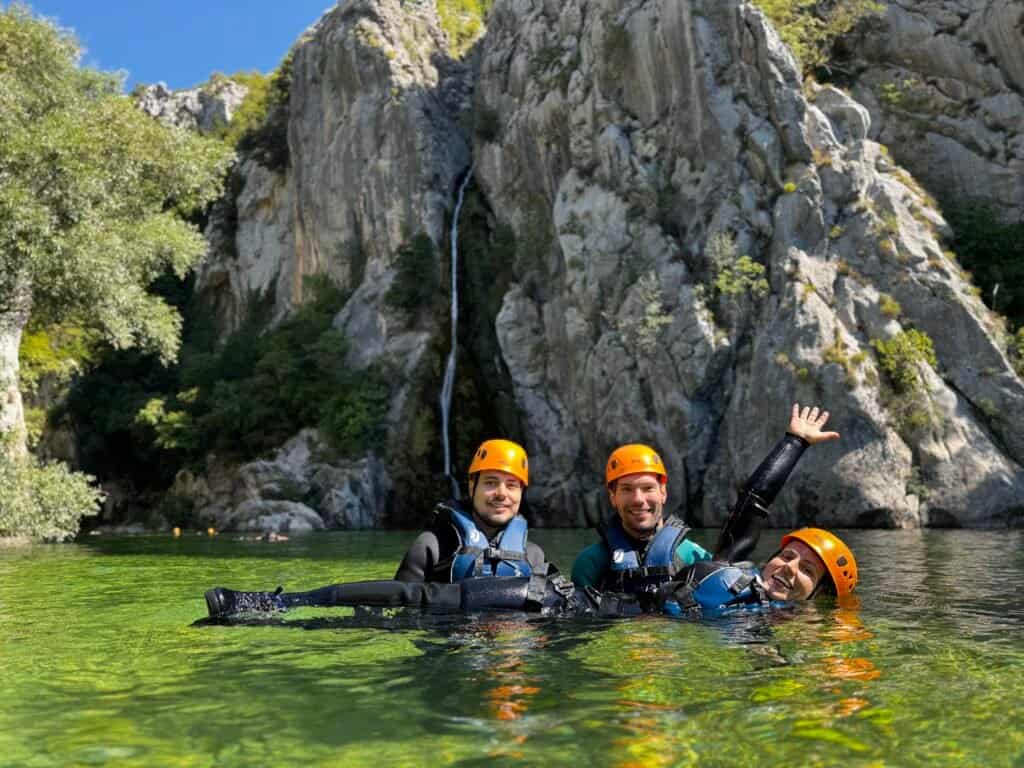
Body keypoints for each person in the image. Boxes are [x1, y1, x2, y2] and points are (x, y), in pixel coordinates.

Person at [571, 404, 841, 595]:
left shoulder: (694, 557)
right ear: (612, 497)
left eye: (647, 488)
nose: (638, 499)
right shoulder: (590, 563)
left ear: (663, 492)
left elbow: (749, 508)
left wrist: (794, 443)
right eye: (627, 490)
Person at [392, 438, 548, 582]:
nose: (501, 494)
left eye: (511, 485)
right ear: (472, 486)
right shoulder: (430, 548)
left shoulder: (534, 557)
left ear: (521, 492)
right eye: (491, 483)